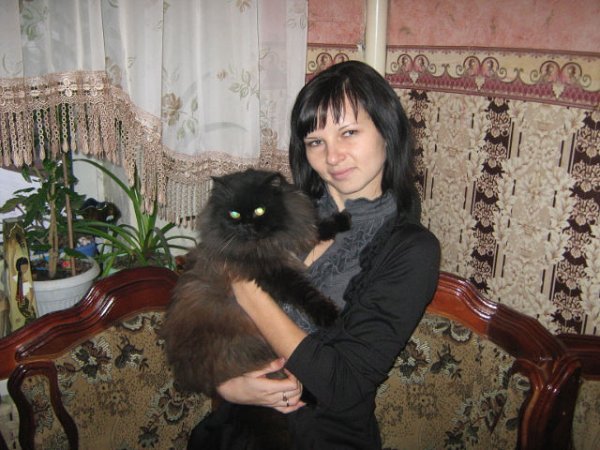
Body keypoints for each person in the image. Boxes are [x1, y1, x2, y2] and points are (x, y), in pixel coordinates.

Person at [218, 60, 440, 449]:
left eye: (349, 132)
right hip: (231, 430)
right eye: (315, 141)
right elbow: (208, 318)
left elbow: (343, 383)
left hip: (321, 437)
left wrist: (248, 290)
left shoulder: (411, 250)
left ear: (387, 132)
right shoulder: (278, 213)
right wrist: (225, 383)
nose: (332, 156)